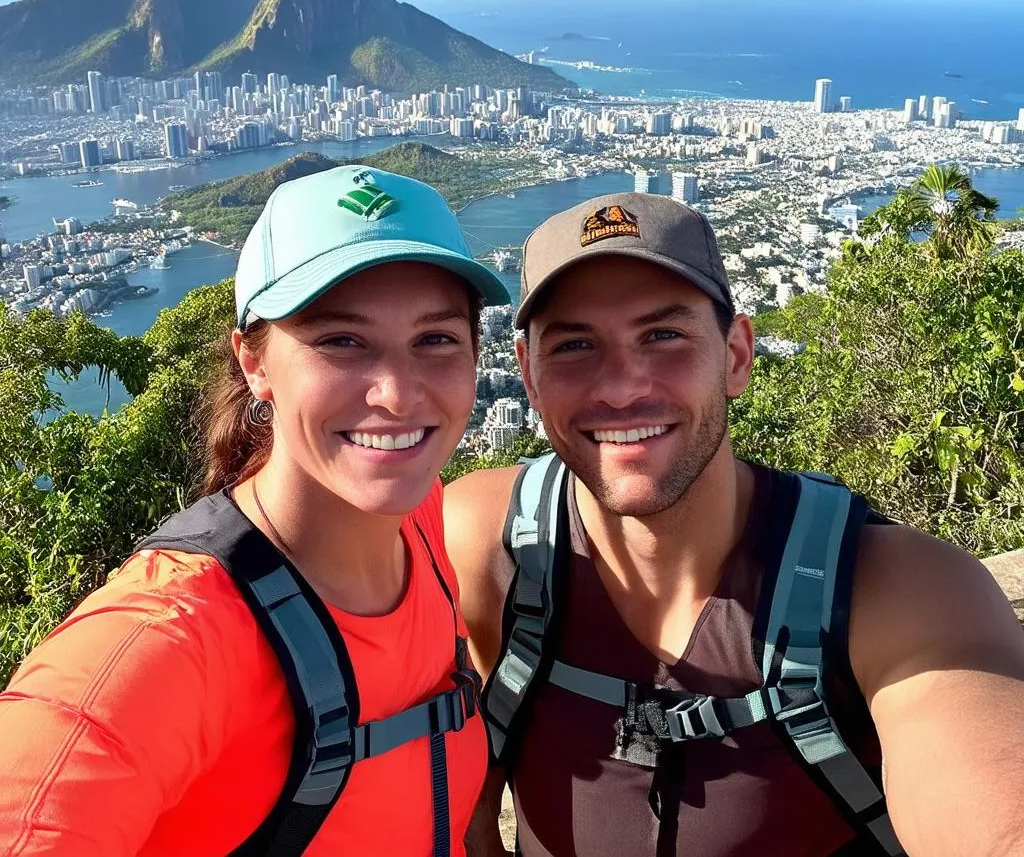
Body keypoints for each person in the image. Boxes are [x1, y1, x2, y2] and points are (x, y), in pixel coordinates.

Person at [445, 192, 1024, 857]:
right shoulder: (486, 545)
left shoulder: (894, 588)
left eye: (663, 336)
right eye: (575, 344)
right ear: (528, 376)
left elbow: (989, 796)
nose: (622, 386)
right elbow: (460, 799)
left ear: (737, 355)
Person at [0, 164, 510, 856]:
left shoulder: (420, 515)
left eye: (436, 339)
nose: (396, 393)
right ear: (255, 363)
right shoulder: (168, 640)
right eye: (341, 341)